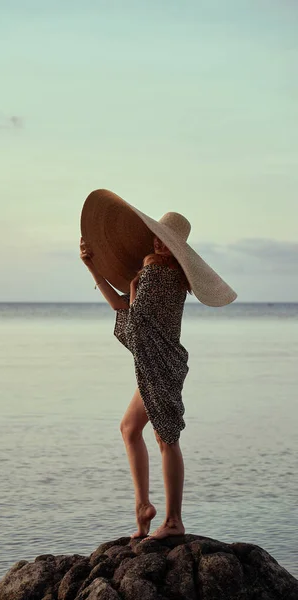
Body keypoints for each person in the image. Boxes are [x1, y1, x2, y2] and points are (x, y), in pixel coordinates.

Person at [79, 189, 237, 539]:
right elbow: (131, 312)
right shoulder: (176, 281)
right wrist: (94, 268)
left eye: (166, 241)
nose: (158, 243)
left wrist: (130, 288)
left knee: (166, 438)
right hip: (163, 363)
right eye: (158, 236)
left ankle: (174, 521)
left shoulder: (154, 272)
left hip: (158, 364)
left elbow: (129, 316)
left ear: (176, 249)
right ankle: (143, 508)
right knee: (130, 428)